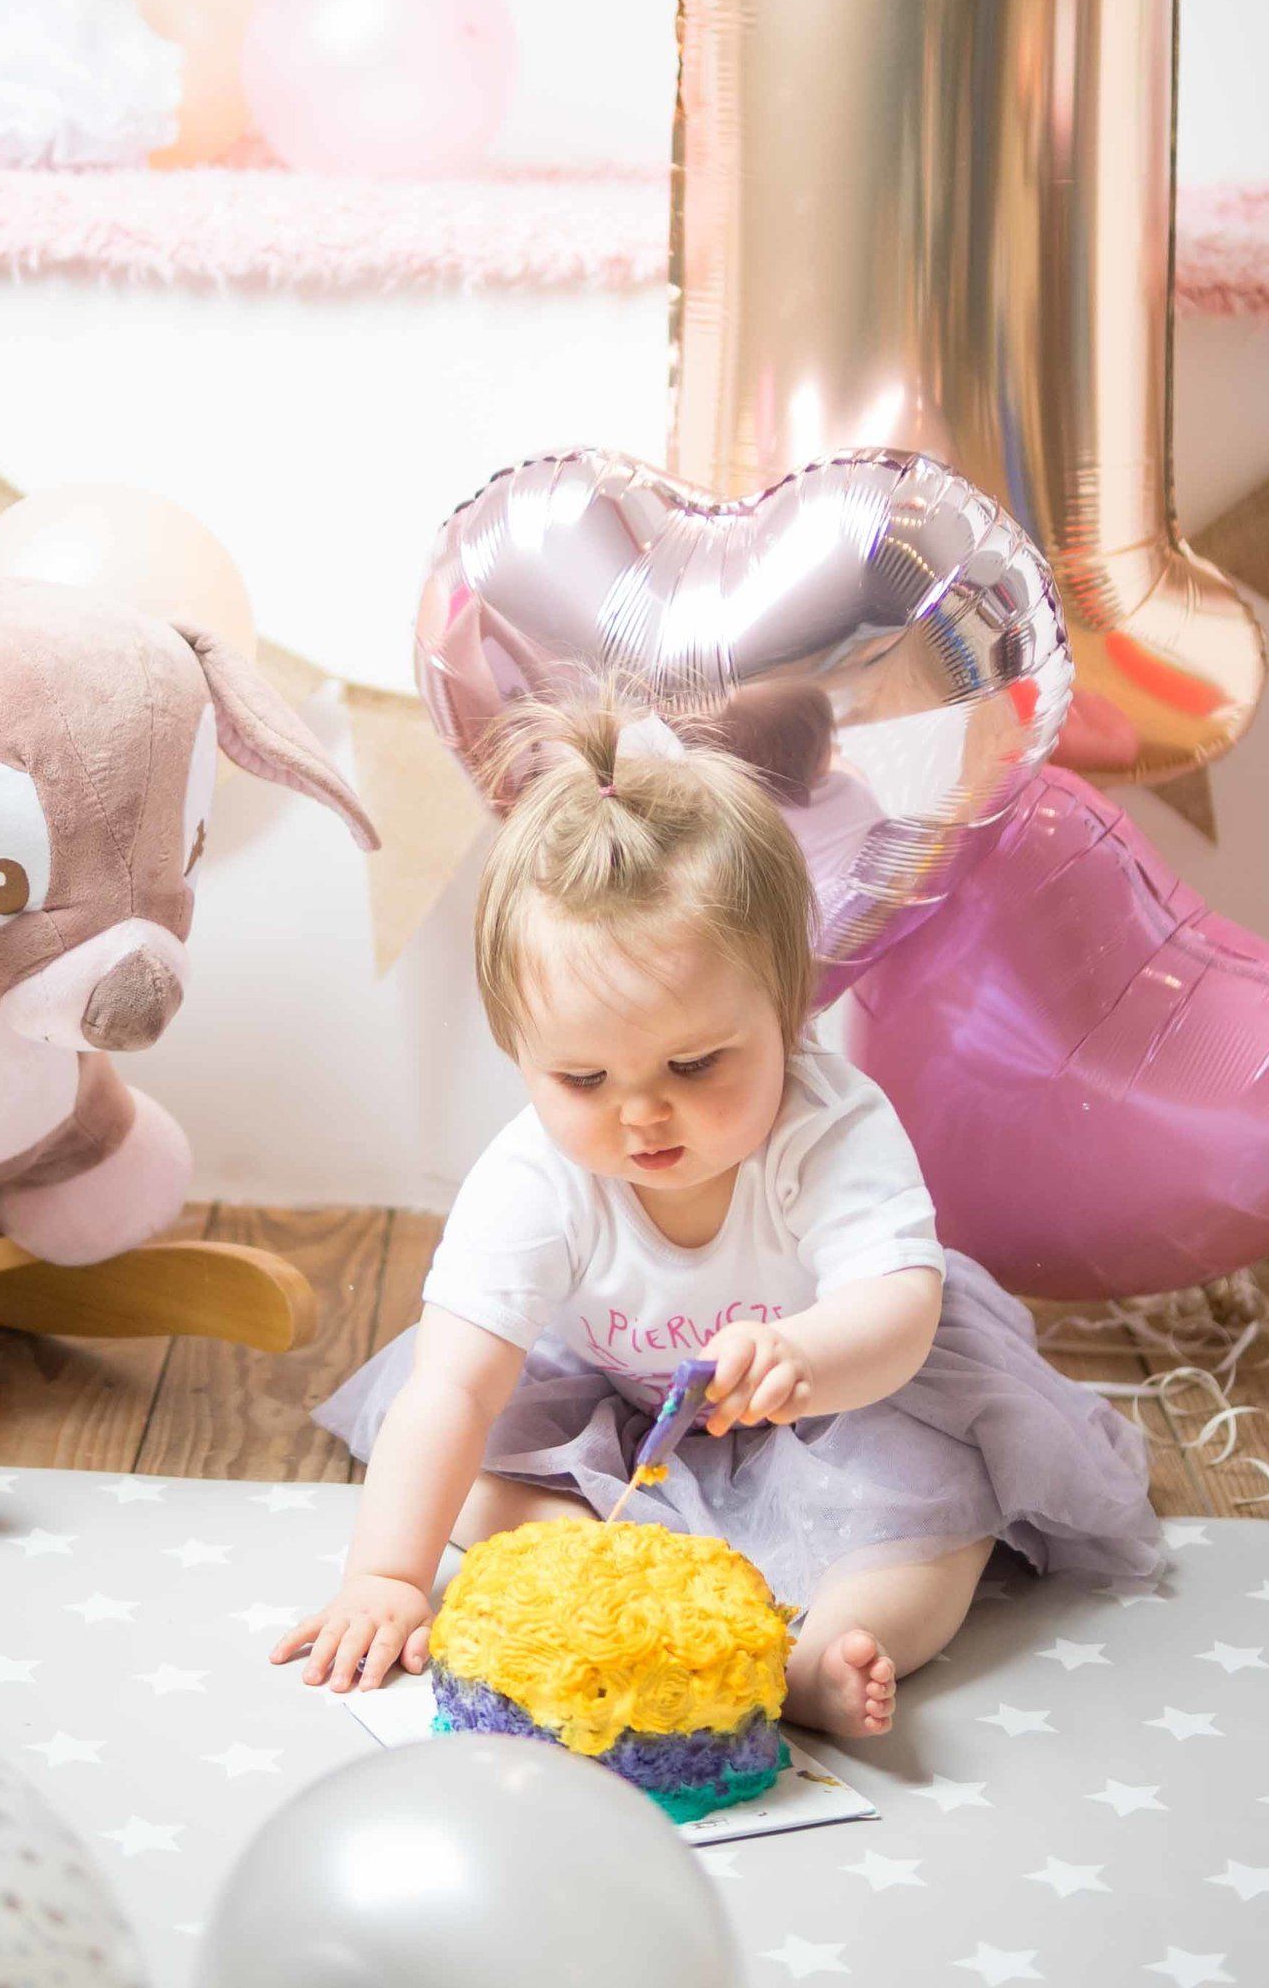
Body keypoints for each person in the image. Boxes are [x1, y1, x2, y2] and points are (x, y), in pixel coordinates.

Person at [275, 702, 1161, 1738]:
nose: (641, 1113)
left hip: (837, 1400)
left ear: (788, 1013)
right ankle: (600, 1559)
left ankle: (821, 1656)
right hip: (616, 1401)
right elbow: (455, 1386)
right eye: (583, 1079)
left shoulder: (828, 1130)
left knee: (938, 1504)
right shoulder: (535, 1176)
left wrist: (805, 1355)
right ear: (522, 1055)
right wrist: (386, 1576)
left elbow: (899, 1312)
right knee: (458, 1460)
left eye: (694, 1066)